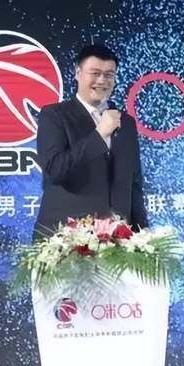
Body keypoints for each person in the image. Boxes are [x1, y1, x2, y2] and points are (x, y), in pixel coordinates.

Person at [33, 43, 148, 239]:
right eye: (95, 73)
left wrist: (142, 234)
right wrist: (99, 134)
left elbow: (134, 184)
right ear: (78, 73)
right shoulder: (54, 115)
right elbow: (56, 171)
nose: (102, 80)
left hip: (120, 241)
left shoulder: (126, 122)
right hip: (67, 239)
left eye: (109, 75)